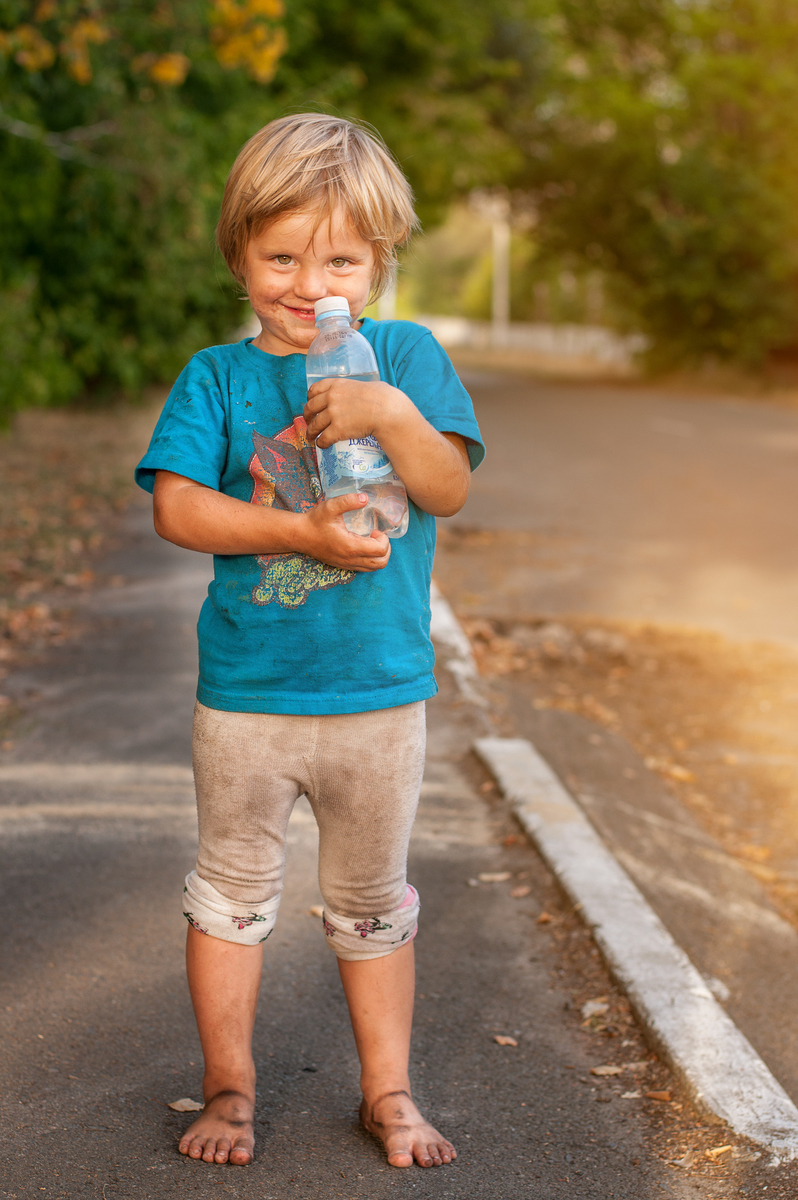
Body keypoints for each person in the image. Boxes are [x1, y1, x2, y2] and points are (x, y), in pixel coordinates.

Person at [135, 112, 485, 1170]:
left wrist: (385, 410)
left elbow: (448, 487)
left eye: (338, 258)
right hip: (246, 695)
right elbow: (179, 510)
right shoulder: (219, 377)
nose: (307, 281)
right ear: (238, 252)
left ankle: (389, 1092)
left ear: (379, 264)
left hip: (378, 696)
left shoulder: (409, 359)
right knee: (232, 894)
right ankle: (230, 1089)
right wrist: (299, 531)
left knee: (373, 906)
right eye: (280, 256)